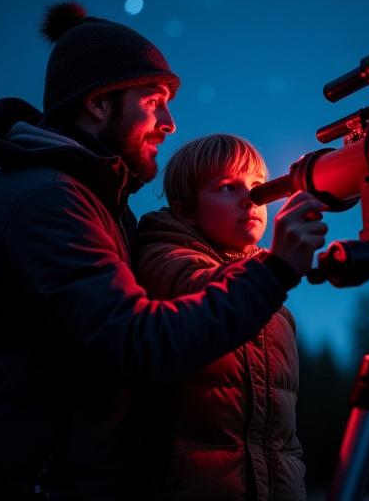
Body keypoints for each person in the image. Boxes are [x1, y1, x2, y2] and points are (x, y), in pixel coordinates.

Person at [0, 1, 327, 500]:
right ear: (99, 104)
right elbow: (138, 345)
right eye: (153, 100)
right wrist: (274, 269)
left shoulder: (96, 203)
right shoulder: (46, 201)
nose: (171, 122)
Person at [136, 134, 310, 501]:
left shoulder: (272, 297)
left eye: (258, 186)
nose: (251, 199)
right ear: (186, 211)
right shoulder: (163, 259)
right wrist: (276, 266)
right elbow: (202, 292)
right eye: (228, 187)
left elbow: (284, 439)